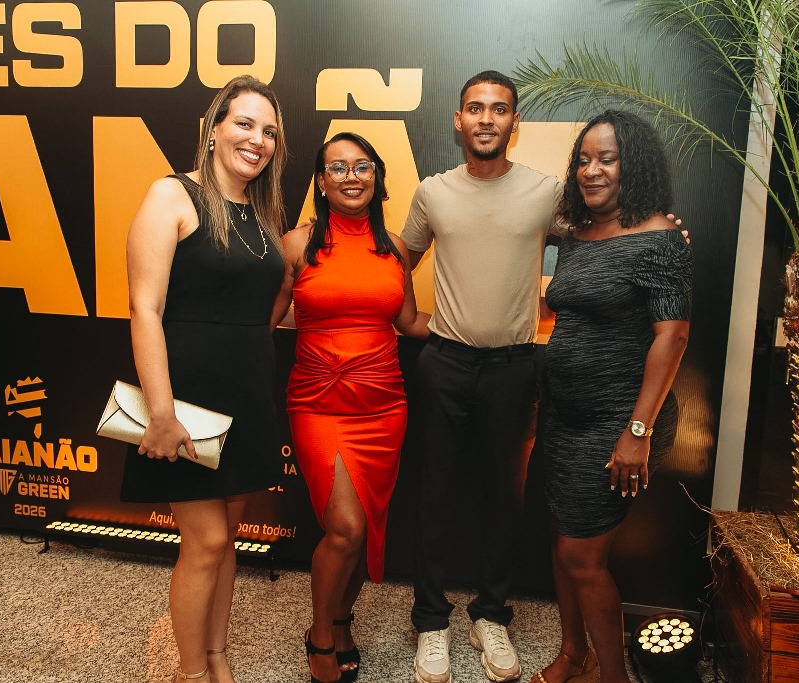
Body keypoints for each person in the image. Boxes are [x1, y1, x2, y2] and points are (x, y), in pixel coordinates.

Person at [119, 75, 288, 683]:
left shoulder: (262, 214)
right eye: (244, 124)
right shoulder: (171, 195)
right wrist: (161, 413)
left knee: (228, 539)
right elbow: (144, 309)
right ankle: (190, 672)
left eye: (269, 131)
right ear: (213, 129)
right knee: (208, 541)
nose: (257, 139)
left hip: (246, 394)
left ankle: (216, 657)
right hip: (185, 397)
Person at [401, 70, 566, 683]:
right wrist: (410, 320)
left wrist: (657, 229)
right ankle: (431, 621)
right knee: (435, 496)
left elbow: (595, 239)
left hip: (514, 367)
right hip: (444, 362)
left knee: (505, 497)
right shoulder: (433, 192)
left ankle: (491, 614)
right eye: (476, 108)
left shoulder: (546, 192)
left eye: (499, 109)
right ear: (458, 120)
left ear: (514, 123)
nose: (487, 119)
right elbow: (398, 259)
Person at [532, 111, 692, 683]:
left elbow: (673, 337)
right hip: (566, 417)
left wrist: (637, 432)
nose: (591, 171)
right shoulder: (576, 235)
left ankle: (612, 676)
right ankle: (573, 655)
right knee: (562, 541)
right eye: (583, 160)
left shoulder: (661, 237)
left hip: (620, 421)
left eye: (607, 159)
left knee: (582, 556)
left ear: (634, 165)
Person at [272, 132, 431, 683]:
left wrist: (479, 324)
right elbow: (266, 317)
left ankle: (342, 620)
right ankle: (320, 636)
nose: (351, 176)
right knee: (344, 527)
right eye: (337, 168)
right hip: (318, 402)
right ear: (321, 181)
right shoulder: (297, 244)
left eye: (362, 166)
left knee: (366, 530)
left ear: (377, 178)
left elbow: (408, 321)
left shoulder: (396, 249)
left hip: (383, 405)